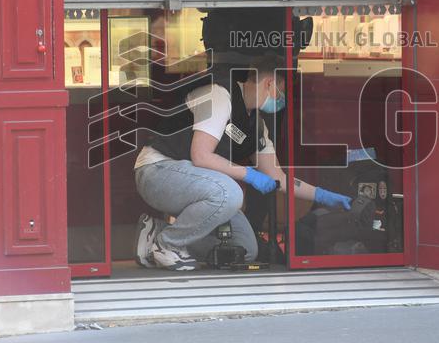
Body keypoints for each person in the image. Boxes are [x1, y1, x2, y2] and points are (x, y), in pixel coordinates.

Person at [132, 53, 352, 271]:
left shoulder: (257, 126)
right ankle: (167, 244)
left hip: (193, 184)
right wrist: (249, 174)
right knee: (229, 193)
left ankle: (156, 232)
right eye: (281, 92)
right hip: (157, 171)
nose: (281, 99)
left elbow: (278, 178)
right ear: (270, 83)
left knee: (243, 248)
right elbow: (201, 155)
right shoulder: (219, 95)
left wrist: (323, 196)